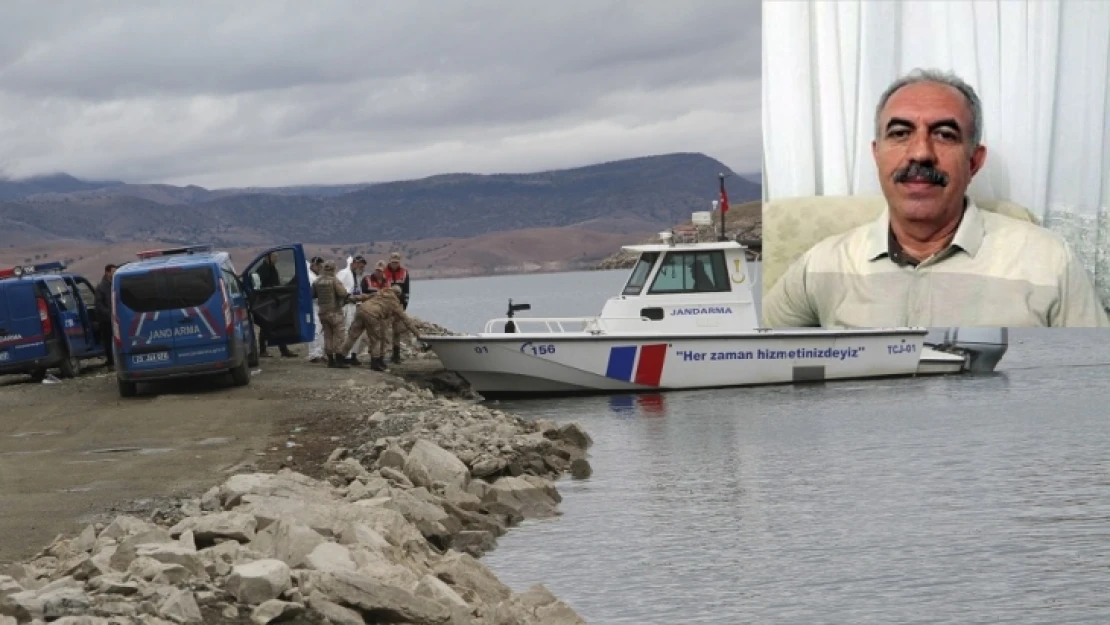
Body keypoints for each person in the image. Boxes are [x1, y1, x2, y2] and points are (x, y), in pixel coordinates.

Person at [762, 68, 1110, 328]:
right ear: (877, 155)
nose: (921, 154)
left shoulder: (1048, 262)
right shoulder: (821, 266)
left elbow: (1094, 387)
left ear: (974, 161)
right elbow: (752, 363)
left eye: (944, 134)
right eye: (900, 134)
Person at [337, 285, 421, 372]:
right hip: (372, 315)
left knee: (352, 336)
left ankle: (340, 358)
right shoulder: (394, 303)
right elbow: (406, 320)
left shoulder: (380, 292)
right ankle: (375, 363)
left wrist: (349, 299)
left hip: (361, 310)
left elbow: (364, 296)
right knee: (376, 339)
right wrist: (418, 334)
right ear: (398, 294)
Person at [255, 252, 296, 357]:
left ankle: (283, 350)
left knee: (276, 324)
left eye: (277, 256)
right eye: (275, 257)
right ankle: (264, 350)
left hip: (273, 299)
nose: (277, 258)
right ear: (268, 257)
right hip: (266, 301)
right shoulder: (262, 269)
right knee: (266, 325)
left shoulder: (271, 268)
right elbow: (261, 286)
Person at [310, 260, 350, 369]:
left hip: (322, 312)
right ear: (333, 269)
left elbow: (312, 294)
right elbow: (343, 293)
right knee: (339, 336)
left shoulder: (317, 281)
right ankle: (339, 361)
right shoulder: (334, 281)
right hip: (335, 312)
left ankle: (330, 360)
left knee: (327, 336)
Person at [336, 255, 368, 365]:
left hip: (356, 305)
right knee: (346, 330)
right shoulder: (344, 273)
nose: (361, 267)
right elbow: (337, 288)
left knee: (355, 330)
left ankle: (353, 354)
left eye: (363, 266)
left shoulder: (358, 276)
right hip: (346, 305)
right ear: (354, 263)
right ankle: (344, 355)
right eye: (360, 265)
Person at [383, 251, 412, 363]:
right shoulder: (384, 272)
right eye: (393, 262)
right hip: (386, 305)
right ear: (390, 261)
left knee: (397, 331)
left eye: (397, 262)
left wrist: (404, 305)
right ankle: (381, 354)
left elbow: (407, 291)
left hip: (399, 305)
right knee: (383, 330)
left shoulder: (404, 273)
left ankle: (396, 355)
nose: (395, 264)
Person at [94, 263, 118, 369]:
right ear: (107, 272)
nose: (114, 273)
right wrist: (109, 314)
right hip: (106, 320)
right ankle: (111, 362)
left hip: (116, 318)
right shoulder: (101, 287)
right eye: (113, 271)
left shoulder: (115, 285)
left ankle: (117, 360)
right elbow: (99, 305)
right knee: (108, 341)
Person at [306, 256, 326, 363]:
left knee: (321, 329)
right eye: (318, 266)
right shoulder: (310, 277)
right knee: (315, 328)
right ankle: (313, 353)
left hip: (319, 305)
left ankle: (319, 352)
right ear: (314, 265)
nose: (320, 268)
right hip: (313, 305)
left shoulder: (316, 276)